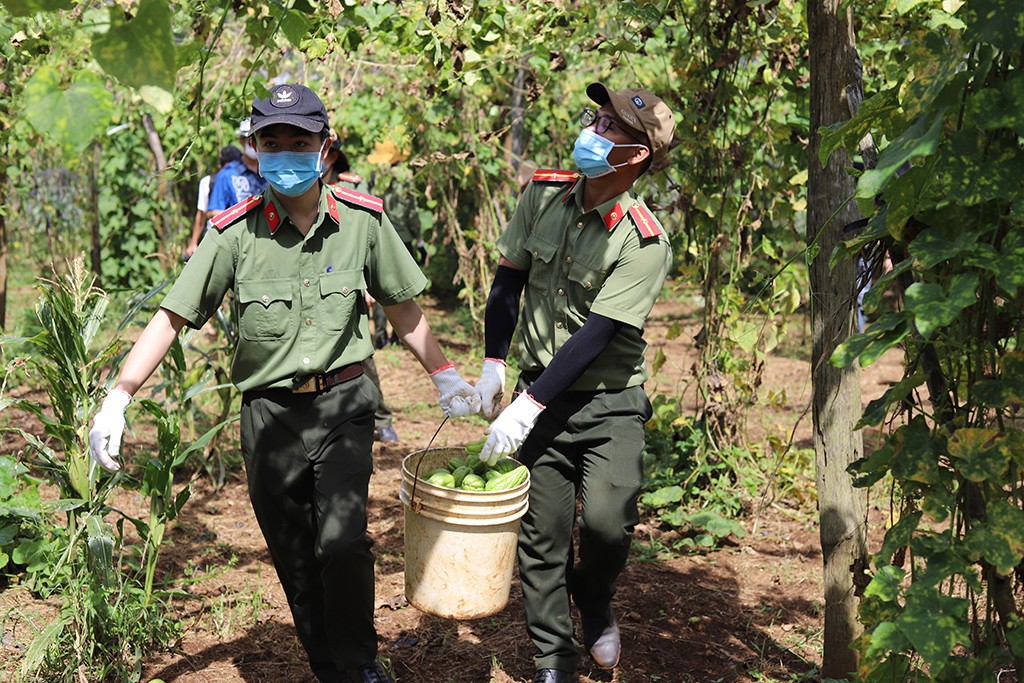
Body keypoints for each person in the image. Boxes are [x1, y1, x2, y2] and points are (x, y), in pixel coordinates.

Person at [88, 83, 480, 683]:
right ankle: (331, 666)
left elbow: (402, 308)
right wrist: (119, 397)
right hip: (268, 415)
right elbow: (172, 317)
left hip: (345, 402)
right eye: (272, 142)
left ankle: (358, 663)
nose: (286, 153)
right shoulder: (233, 233)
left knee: (343, 542)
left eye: (300, 141)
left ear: (326, 146)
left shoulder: (362, 222)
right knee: (294, 552)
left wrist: (445, 375)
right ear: (255, 149)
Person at [473, 82, 676, 683]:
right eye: (596, 116)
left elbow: (599, 334)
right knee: (542, 535)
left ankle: (593, 593)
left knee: (609, 525)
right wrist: (494, 362)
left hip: (608, 403)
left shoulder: (644, 241)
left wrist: (528, 405)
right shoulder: (543, 195)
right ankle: (553, 658)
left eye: (609, 126)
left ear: (636, 155)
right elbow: (509, 281)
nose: (593, 128)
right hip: (538, 391)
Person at [324, 131, 398, 443]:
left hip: (347, 282)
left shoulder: (351, 186)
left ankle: (380, 418)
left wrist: (367, 285)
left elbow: (367, 237)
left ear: (332, 155)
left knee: (361, 356)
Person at [185, 144, 241, 260]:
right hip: (218, 238)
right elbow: (202, 214)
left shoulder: (244, 182)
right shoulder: (208, 182)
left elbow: (201, 215)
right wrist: (193, 243)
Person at [206, 118, 268, 221]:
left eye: (259, 141)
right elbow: (213, 212)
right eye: (250, 142)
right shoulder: (227, 173)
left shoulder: (271, 171)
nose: (255, 146)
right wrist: (243, 216)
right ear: (241, 142)